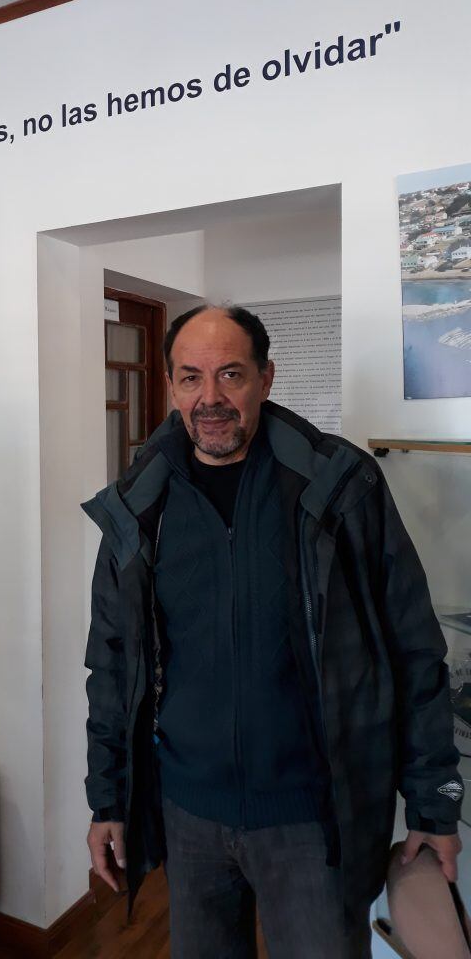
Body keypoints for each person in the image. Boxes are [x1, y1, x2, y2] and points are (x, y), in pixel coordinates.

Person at [83, 305, 462, 959]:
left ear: (266, 378)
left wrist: (433, 804)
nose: (211, 398)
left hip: (311, 822)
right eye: (191, 377)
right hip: (188, 814)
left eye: (231, 374)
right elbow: (112, 664)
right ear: (171, 386)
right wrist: (108, 798)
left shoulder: (339, 487)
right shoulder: (141, 502)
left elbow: (414, 647)